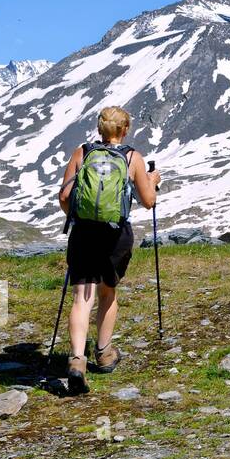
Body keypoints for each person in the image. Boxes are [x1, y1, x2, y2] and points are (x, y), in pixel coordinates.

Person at [57, 106, 160, 393]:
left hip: (84, 234)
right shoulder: (132, 157)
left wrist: (76, 214)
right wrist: (152, 181)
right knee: (107, 291)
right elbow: (148, 201)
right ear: (124, 130)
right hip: (116, 236)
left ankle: (77, 360)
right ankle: (103, 353)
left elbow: (64, 196)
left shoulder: (83, 153)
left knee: (81, 297)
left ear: (100, 128)